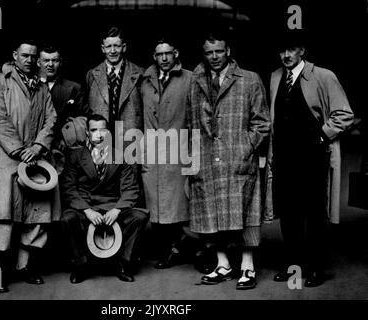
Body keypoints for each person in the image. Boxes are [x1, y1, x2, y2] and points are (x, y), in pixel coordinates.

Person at [0, 39, 59, 293]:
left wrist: (38, 147)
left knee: (35, 216)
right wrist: (21, 150)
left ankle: (25, 267)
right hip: (3, 160)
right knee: (1, 217)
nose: (30, 60)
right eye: (25, 55)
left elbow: (51, 119)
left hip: (33, 159)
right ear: (15, 56)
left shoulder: (41, 88)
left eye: (33, 56)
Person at [267, 31, 354, 287]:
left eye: (291, 49)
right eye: (282, 50)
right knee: (290, 214)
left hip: (313, 157)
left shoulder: (323, 76)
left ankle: (317, 267)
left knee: (315, 214)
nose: (286, 55)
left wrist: (321, 136)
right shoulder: (275, 77)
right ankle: (294, 265)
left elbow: (344, 114)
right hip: (284, 156)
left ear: (302, 50)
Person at [187, 32, 270, 290]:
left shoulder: (249, 79)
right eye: (209, 52)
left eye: (219, 51)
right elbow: (190, 124)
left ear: (228, 50)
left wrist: (245, 147)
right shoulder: (195, 81)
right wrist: (193, 160)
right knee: (210, 214)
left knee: (245, 214)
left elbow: (263, 123)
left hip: (238, 159)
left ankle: (248, 267)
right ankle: (222, 264)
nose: (214, 57)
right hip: (207, 159)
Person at [59, 114, 149, 283]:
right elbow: (68, 189)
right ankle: (81, 265)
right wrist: (87, 211)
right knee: (67, 219)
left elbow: (130, 188)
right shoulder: (75, 156)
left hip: (112, 207)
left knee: (139, 217)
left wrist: (117, 210)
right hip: (86, 207)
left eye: (103, 130)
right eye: (94, 130)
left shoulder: (120, 155)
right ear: (87, 133)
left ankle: (123, 263)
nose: (99, 135)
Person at [140, 37, 200, 269]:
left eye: (168, 53)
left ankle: (188, 249)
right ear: (154, 57)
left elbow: (196, 116)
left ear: (175, 53)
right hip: (152, 152)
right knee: (156, 207)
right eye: (159, 54)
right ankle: (169, 250)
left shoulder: (189, 78)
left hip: (178, 150)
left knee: (180, 205)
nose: (164, 58)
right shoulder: (145, 80)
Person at [86, 27, 143, 136]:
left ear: (124, 47)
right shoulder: (92, 75)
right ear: (103, 49)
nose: (112, 51)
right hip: (101, 138)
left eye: (116, 46)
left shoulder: (140, 74)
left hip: (130, 139)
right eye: (108, 47)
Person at [37, 45, 88, 151]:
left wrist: (68, 137)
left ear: (60, 62)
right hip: (33, 146)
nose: (50, 64)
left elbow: (83, 117)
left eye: (54, 60)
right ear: (38, 62)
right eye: (46, 60)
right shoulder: (29, 85)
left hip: (64, 147)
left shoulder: (74, 88)